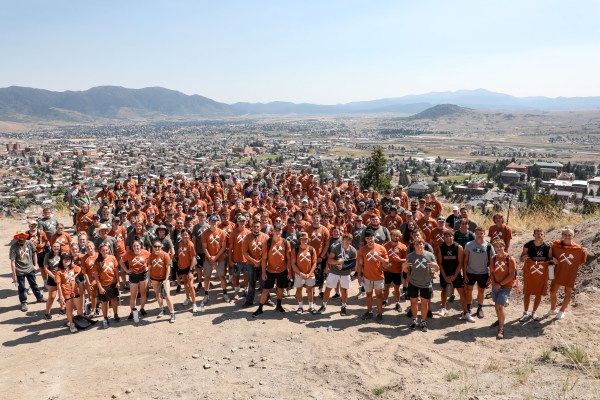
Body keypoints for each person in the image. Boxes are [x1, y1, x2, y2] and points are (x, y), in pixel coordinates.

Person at [547, 228, 588, 320]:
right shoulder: (556, 244)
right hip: (558, 271)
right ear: (562, 235)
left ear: (573, 236)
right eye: (565, 234)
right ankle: (553, 309)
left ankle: (562, 311)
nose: (567, 237)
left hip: (570, 273)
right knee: (552, 292)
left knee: (567, 292)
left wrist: (584, 253)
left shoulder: (577, 248)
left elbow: (580, 261)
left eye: (569, 235)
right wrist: (550, 248)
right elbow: (550, 256)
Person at [253, 224, 290, 317]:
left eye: (279, 230)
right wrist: (263, 272)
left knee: (280, 288)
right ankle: (260, 308)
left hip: (282, 270)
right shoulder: (267, 242)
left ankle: (279, 305)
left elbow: (288, 258)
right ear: (272, 231)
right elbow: (264, 258)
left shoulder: (286, 242)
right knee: (266, 290)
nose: (277, 232)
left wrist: (290, 271)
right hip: (270, 270)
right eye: (275, 230)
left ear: (281, 231)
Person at [436, 230, 473, 321]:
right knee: (444, 291)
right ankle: (443, 308)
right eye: (446, 236)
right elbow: (439, 263)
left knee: (462, 292)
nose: (448, 238)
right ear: (444, 238)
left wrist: (455, 275)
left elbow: (460, 263)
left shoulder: (458, 247)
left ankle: (466, 312)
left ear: (453, 237)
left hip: (456, 274)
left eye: (450, 236)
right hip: (444, 273)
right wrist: (444, 276)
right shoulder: (440, 248)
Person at [403, 238, 439, 332]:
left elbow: (436, 269)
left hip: (426, 282)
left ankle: (423, 321)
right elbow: (406, 270)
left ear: (424, 245)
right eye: (417, 244)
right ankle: (414, 320)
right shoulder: (410, 256)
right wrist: (403, 267)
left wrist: (435, 266)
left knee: (424, 303)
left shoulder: (430, 255)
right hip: (413, 282)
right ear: (414, 246)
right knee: (413, 302)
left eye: (421, 244)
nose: (419, 246)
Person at [318, 232, 357, 315]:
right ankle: (324, 305)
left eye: (349, 240)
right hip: (334, 272)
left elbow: (353, 264)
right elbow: (329, 260)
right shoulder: (336, 247)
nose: (346, 241)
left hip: (345, 273)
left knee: (344, 290)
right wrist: (337, 262)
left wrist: (344, 266)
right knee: (328, 288)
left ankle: (343, 306)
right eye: (345, 239)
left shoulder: (353, 250)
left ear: (351, 241)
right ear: (342, 240)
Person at [519, 228, 552, 322]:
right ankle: (525, 312)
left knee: (539, 293)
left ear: (544, 236)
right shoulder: (528, 245)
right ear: (533, 235)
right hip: (530, 272)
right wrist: (523, 258)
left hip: (541, 273)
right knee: (527, 292)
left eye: (541, 234)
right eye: (537, 234)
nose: (539, 236)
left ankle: (534, 312)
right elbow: (521, 258)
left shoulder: (547, 247)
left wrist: (551, 250)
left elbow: (549, 260)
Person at [357, 229, 389, 323]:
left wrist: (382, 259)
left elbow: (387, 260)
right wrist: (359, 276)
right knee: (368, 295)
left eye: (371, 238)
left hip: (379, 276)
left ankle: (379, 313)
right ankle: (369, 311)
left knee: (379, 296)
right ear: (365, 239)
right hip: (367, 277)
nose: (370, 240)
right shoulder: (362, 250)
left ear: (375, 237)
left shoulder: (381, 248)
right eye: (368, 238)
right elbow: (360, 264)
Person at [463, 226, 495, 320]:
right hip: (470, 271)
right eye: (477, 233)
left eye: (481, 233)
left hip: (483, 272)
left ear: (484, 234)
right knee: (469, 290)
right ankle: (468, 308)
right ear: (475, 234)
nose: (479, 235)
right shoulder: (469, 245)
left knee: (481, 291)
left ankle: (480, 308)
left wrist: (491, 276)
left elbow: (492, 262)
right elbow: (465, 261)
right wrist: (464, 274)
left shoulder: (489, 246)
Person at [10, 230, 46, 312]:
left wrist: (36, 265)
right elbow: (12, 261)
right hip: (19, 271)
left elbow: (34, 254)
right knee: (21, 288)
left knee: (34, 284)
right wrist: (14, 274)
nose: (21, 237)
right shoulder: (13, 247)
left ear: (25, 236)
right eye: (19, 236)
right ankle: (23, 302)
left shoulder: (29, 243)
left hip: (30, 268)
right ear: (17, 237)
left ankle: (39, 297)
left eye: (23, 235)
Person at [489, 239, 516, 339]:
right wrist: (494, 283)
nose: (498, 248)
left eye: (500, 246)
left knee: (500, 306)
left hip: (505, 286)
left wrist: (500, 284)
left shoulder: (510, 259)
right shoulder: (493, 258)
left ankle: (501, 328)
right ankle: (499, 320)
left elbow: (511, 274)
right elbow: (491, 272)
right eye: (496, 246)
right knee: (496, 305)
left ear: (504, 246)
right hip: (495, 285)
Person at [242, 221, 270, 308]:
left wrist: (261, 261)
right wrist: (254, 261)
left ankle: (266, 299)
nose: (256, 228)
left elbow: (268, 251)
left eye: (258, 226)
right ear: (252, 227)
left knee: (263, 282)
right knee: (252, 282)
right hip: (251, 264)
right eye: (254, 226)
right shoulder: (247, 237)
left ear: (260, 227)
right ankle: (249, 300)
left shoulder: (265, 237)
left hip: (263, 264)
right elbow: (245, 252)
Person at [201, 215, 229, 305]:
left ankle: (225, 293)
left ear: (218, 222)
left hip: (219, 257)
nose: (214, 223)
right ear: (209, 222)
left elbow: (223, 246)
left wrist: (215, 258)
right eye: (212, 221)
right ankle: (206, 295)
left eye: (215, 221)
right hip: (208, 258)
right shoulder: (205, 233)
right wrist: (210, 258)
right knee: (207, 277)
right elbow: (204, 247)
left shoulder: (222, 233)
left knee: (222, 276)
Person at [120, 240, 150, 320]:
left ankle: (142, 309)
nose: (136, 247)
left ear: (140, 246)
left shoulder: (145, 252)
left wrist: (148, 267)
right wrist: (126, 270)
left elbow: (152, 259)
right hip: (133, 275)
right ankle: (132, 312)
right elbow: (121, 262)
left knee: (143, 293)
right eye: (134, 246)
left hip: (143, 274)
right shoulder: (129, 254)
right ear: (132, 247)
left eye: (137, 246)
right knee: (133, 296)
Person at [55, 253, 84, 333]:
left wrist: (75, 275)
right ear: (62, 260)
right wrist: (61, 296)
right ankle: (71, 324)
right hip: (66, 292)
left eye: (69, 259)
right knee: (70, 309)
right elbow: (58, 285)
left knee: (79, 307)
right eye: (65, 259)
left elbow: (79, 269)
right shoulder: (59, 271)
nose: (67, 260)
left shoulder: (72, 267)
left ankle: (81, 321)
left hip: (74, 291)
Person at [149, 240, 175, 323]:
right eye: (155, 246)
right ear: (153, 247)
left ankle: (172, 313)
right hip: (154, 277)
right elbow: (149, 268)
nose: (157, 248)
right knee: (157, 294)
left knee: (167, 295)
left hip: (164, 278)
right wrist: (149, 279)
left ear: (161, 247)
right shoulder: (151, 256)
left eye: (158, 246)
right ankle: (162, 309)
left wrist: (166, 279)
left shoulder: (165, 255)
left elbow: (168, 268)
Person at [291, 232, 317, 314]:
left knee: (310, 289)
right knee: (299, 290)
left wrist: (309, 273)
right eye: (302, 239)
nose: (304, 241)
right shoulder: (295, 250)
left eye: (305, 239)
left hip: (309, 274)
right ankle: (300, 307)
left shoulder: (312, 249)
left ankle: (311, 306)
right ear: (299, 240)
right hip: (299, 274)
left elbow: (314, 263)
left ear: (308, 240)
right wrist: (300, 273)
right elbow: (293, 264)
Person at [96, 242, 121, 328]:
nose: (105, 251)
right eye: (103, 250)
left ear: (109, 250)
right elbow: (96, 277)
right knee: (105, 302)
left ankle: (116, 314)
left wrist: (118, 281)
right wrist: (100, 287)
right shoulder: (98, 261)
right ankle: (105, 317)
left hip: (113, 283)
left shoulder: (113, 258)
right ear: (100, 251)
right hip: (103, 285)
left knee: (114, 300)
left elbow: (116, 271)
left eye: (106, 250)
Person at [305, 213, 330, 297]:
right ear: (312, 219)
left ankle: (321, 290)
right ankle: (312, 290)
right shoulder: (308, 229)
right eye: (314, 217)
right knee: (311, 274)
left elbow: (326, 244)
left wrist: (321, 256)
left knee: (321, 274)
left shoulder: (325, 230)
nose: (316, 219)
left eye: (317, 217)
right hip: (310, 256)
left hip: (321, 256)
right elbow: (305, 243)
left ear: (320, 219)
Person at [383, 229, 406, 311]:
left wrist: (399, 260)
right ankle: (385, 300)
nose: (395, 237)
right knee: (386, 286)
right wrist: (385, 264)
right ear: (391, 235)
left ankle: (397, 303)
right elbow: (382, 257)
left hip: (398, 271)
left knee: (397, 288)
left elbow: (406, 259)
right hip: (387, 270)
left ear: (399, 237)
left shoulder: (403, 247)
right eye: (393, 235)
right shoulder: (385, 245)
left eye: (397, 236)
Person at [228, 216, 250, 301]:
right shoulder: (233, 233)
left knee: (246, 276)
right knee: (236, 276)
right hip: (236, 259)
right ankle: (236, 291)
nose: (242, 223)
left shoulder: (248, 232)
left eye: (243, 221)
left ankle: (246, 290)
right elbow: (230, 248)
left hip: (246, 259)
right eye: (240, 221)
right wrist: (230, 259)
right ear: (237, 222)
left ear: (246, 222)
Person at [177, 229, 198, 313]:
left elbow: (193, 257)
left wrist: (190, 270)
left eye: (186, 235)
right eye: (183, 235)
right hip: (182, 267)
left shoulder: (190, 245)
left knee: (191, 286)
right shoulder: (180, 244)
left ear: (189, 235)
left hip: (189, 267)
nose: (184, 236)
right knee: (185, 283)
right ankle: (187, 298)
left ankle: (194, 304)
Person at [26, 221, 49, 289]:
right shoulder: (26, 233)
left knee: (42, 268)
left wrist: (43, 245)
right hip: (30, 254)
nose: (33, 227)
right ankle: (32, 285)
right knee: (32, 270)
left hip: (40, 252)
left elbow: (46, 240)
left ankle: (45, 282)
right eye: (31, 225)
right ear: (29, 226)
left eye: (35, 225)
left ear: (37, 226)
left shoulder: (41, 232)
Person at [43, 242, 63, 319]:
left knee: (63, 294)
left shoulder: (63, 255)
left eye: (58, 246)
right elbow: (46, 269)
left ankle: (62, 308)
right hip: (52, 277)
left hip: (62, 277)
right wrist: (55, 277)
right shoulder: (48, 255)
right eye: (54, 246)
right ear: (51, 247)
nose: (56, 248)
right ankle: (47, 312)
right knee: (52, 296)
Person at [81, 242, 99, 316]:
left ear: (94, 246)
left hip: (100, 276)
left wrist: (96, 280)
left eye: (90, 246)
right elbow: (84, 272)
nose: (89, 248)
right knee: (93, 295)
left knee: (104, 293)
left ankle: (107, 311)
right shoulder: (84, 258)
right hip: (90, 276)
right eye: (87, 247)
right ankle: (93, 309)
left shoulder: (98, 255)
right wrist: (88, 282)